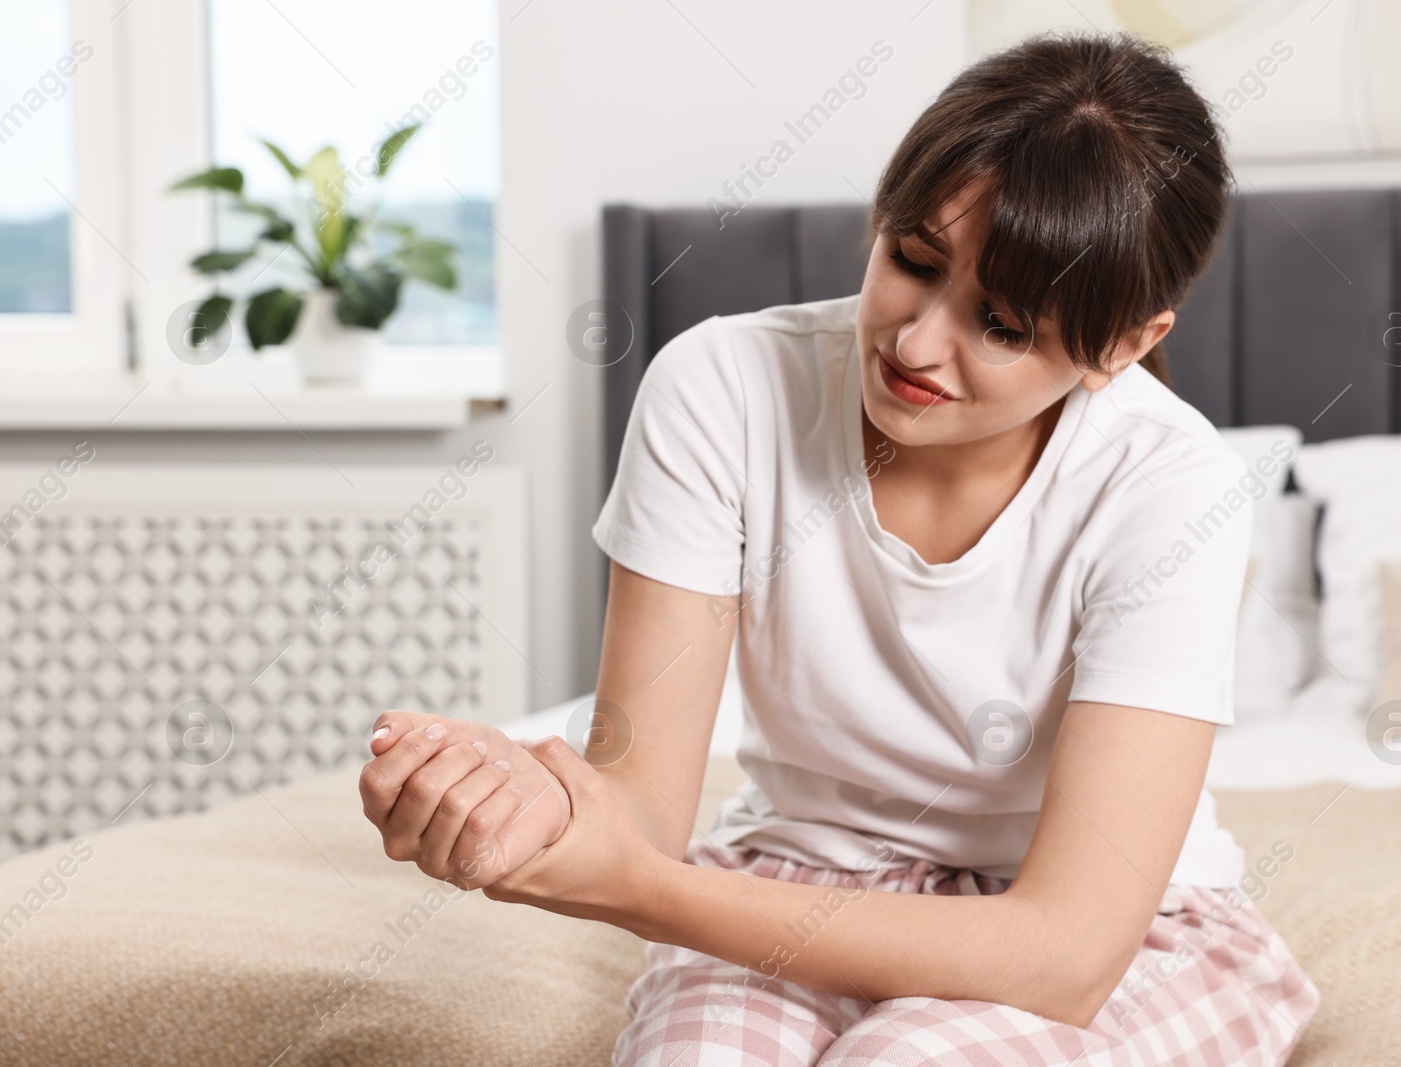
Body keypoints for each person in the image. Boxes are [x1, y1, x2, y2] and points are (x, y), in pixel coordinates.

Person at [358, 29, 1321, 1066]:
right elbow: (635, 812)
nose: (914, 344)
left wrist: (641, 889)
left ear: (1121, 345)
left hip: (1119, 932)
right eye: (911, 260)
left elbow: (1065, 952)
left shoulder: (1173, 485)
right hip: (796, 880)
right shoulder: (720, 389)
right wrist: (527, 805)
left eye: (999, 323)